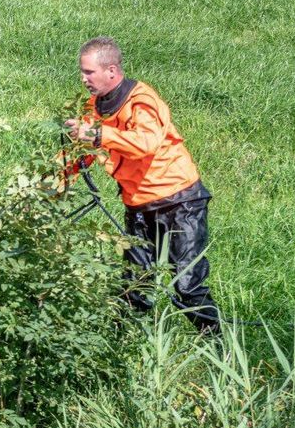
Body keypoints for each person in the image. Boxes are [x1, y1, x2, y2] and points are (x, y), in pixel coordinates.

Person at [64, 36, 221, 334]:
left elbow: (145, 145)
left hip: (180, 201)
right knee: (135, 284)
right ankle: (118, 349)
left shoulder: (142, 101)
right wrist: (52, 186)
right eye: (82, 72)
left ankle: (219, 345)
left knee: (186, 284)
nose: (83, 79)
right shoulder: (92, 107)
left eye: (89, 72)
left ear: (111, 70)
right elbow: (80, 154)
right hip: (137, 205)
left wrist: (98, 136)